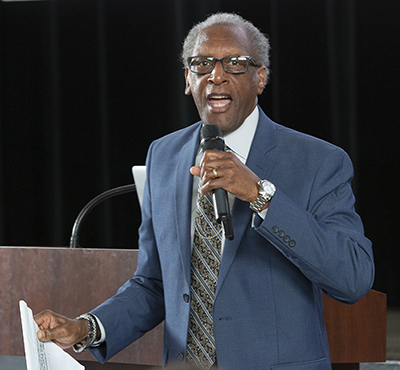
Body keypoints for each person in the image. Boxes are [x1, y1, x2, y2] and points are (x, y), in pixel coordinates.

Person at [34, 12, 374, 370]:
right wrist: (87, 328)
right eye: (202, 63)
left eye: (236, 63)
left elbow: (352, 277)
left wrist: (260, 195)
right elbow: (154, 283)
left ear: (261, 78)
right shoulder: (164, 155)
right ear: (187, 79)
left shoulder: (318, 161)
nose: (216, 74)